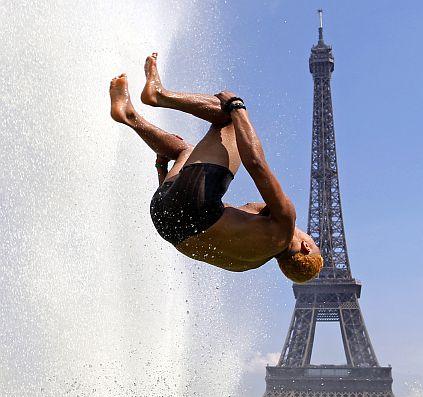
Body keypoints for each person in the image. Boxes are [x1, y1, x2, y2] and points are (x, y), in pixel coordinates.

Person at [109, 54, 323, 282]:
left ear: (306, 247)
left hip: (192, 207)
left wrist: (237, 107)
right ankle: (129, 116)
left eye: (313, 240)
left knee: (229, 119)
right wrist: (162, 169)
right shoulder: (248, 262)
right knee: (186, 152)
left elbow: (256, 164)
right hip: (164, 220)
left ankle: (159, 94)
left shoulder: (285, 223)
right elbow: (186, 223)